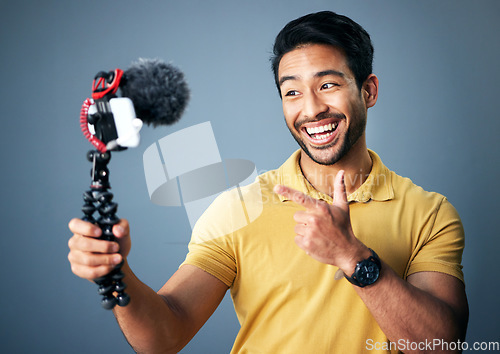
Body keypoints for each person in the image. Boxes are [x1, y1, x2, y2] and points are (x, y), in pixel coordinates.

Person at [68, 11, 468, 353]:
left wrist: (353, 257)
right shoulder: (237, 208)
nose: (310, 109)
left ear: (368, 90)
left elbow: (442, 345)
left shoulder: (430, 213)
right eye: (291, 92)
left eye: (328, 85)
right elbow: (164, 336)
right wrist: (117, 273)